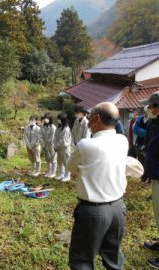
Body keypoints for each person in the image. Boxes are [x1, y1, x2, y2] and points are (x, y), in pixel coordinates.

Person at [67, 102, 129, 270]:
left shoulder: (86, 145)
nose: (87, 120)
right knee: (113, 257)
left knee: (82, 261)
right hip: (118, 208)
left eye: (90, 116)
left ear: (97, 118)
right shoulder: (122, 140)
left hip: (93, 211)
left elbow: (70, 167)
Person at [140, 92, 159, 269]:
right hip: (155, 174)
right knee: (157, 212)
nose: (148, 109)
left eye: (151, 106)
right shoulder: (154, 122)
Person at [54, 112, 71, 182]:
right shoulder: (58, 127)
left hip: (64, 148)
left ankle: (67, 176)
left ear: (63, 120)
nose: (58, 120)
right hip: (58, 147)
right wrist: (54, 145)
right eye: (58, 119)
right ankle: (61, 174)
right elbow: (55, 137)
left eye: (59, 119)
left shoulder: (66, 129)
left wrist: (56, 146)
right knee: (60, 161)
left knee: (66, 162)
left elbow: (62, 140)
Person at [39, 113, 57, 178]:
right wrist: (43, 144)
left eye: (47, 118)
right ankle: (49, 171)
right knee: (47, 159)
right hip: (45, 146)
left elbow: (52, 137)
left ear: (50, 119)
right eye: (45, 118)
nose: (45, 120)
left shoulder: (53, 127)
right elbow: (40, 136)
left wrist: (47, 143)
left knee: (53, 159)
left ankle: (53, 172)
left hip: (52, 145)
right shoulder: (42, 127)